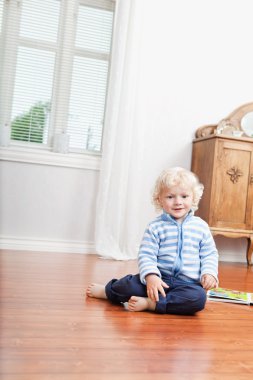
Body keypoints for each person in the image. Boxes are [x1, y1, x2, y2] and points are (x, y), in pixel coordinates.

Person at [86, 167, 219, 315]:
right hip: (158, 278)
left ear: (193, 198)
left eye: (184, 196)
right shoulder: (155, 227)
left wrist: (210, 273)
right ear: (159, 200)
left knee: (198, 299)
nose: (177, 202)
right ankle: (108, 291)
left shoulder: (200, 226)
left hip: (187, 284)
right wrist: (151, 276)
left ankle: (152, 304)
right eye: (170, 197)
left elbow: (209, 254)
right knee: (128, 285)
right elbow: (146, 255)